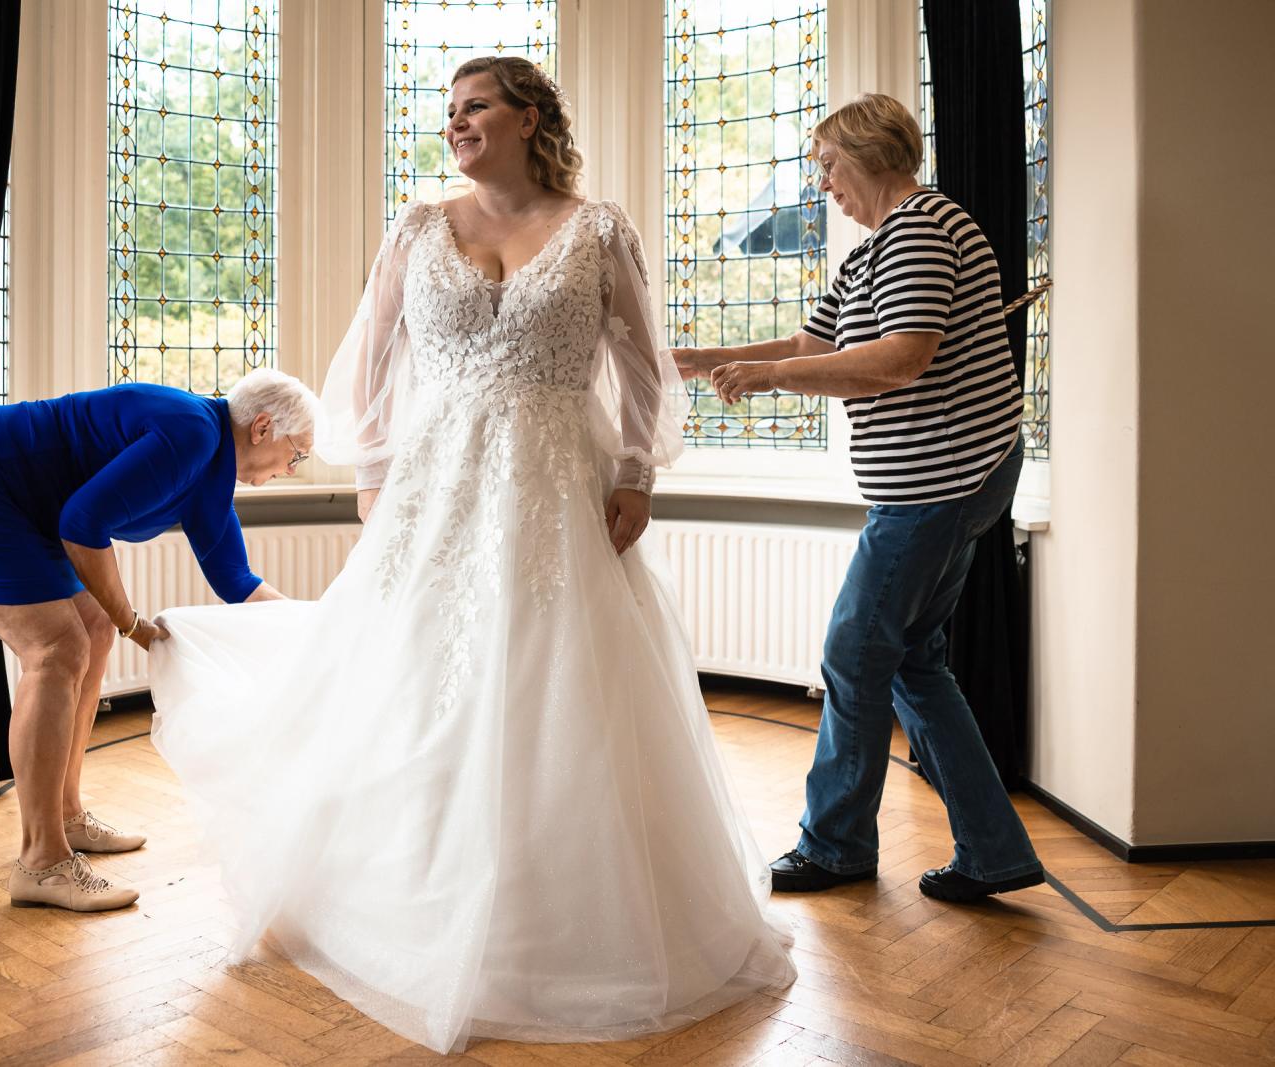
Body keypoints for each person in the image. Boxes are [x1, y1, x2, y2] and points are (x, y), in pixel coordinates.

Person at [148, 56, 794, 1054]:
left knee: (552, 692)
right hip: (432, 494)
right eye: (448, 111)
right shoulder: (416, 226)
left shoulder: (598, 228)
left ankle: (556, 921)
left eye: (475, 107)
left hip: (554, 491)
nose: (456, 124)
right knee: (411, 686)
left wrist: (635, 474)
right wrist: (373, 476)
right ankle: (401, 897)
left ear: (529, 115)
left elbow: (639, 367)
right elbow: (371, 361)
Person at [674, 93, 1045, 903]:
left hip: (940, 483)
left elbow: (900, 359)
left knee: (853, 650)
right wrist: (706, 358)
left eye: (829, 165)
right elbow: (817, 345)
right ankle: (993, 849)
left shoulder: (920, 230)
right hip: (942, 482)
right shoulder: (874, 249)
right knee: (911, 658)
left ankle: (836, 845)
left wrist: (768, 377)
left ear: (871, 152)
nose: (823, 183)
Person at [0, 370, 319, 912]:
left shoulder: (209, 465)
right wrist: (131, 621)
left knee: (90, 631)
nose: (291, 469)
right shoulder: (192, 433)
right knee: (57, 647)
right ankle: (42, 862)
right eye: (296, 455)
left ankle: (65, 816)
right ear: (261, 427)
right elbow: (83, 521)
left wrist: (322, 628)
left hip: (12, 501)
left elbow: (237, 580)